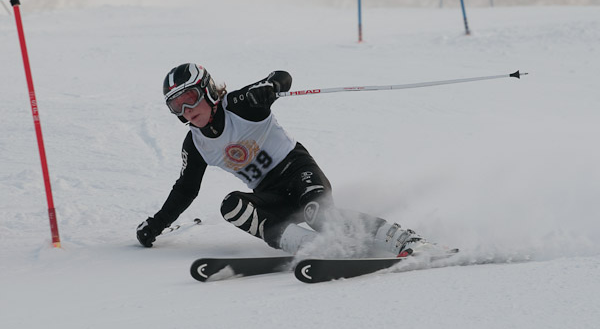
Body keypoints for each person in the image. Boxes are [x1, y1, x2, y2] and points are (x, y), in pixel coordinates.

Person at [136, 63, 437, 257]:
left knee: (316, 214)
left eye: (189, 98)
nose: (186, 110)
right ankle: (309, 248)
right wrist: (156, 224)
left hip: (297, 170)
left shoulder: (239, 105)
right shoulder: (196, 143)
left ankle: (405, 239)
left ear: (208, 90)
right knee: (232, 206)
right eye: (176, 106)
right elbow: (185, 189)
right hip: (270, 193)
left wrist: (270, 88)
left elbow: (281, 77)